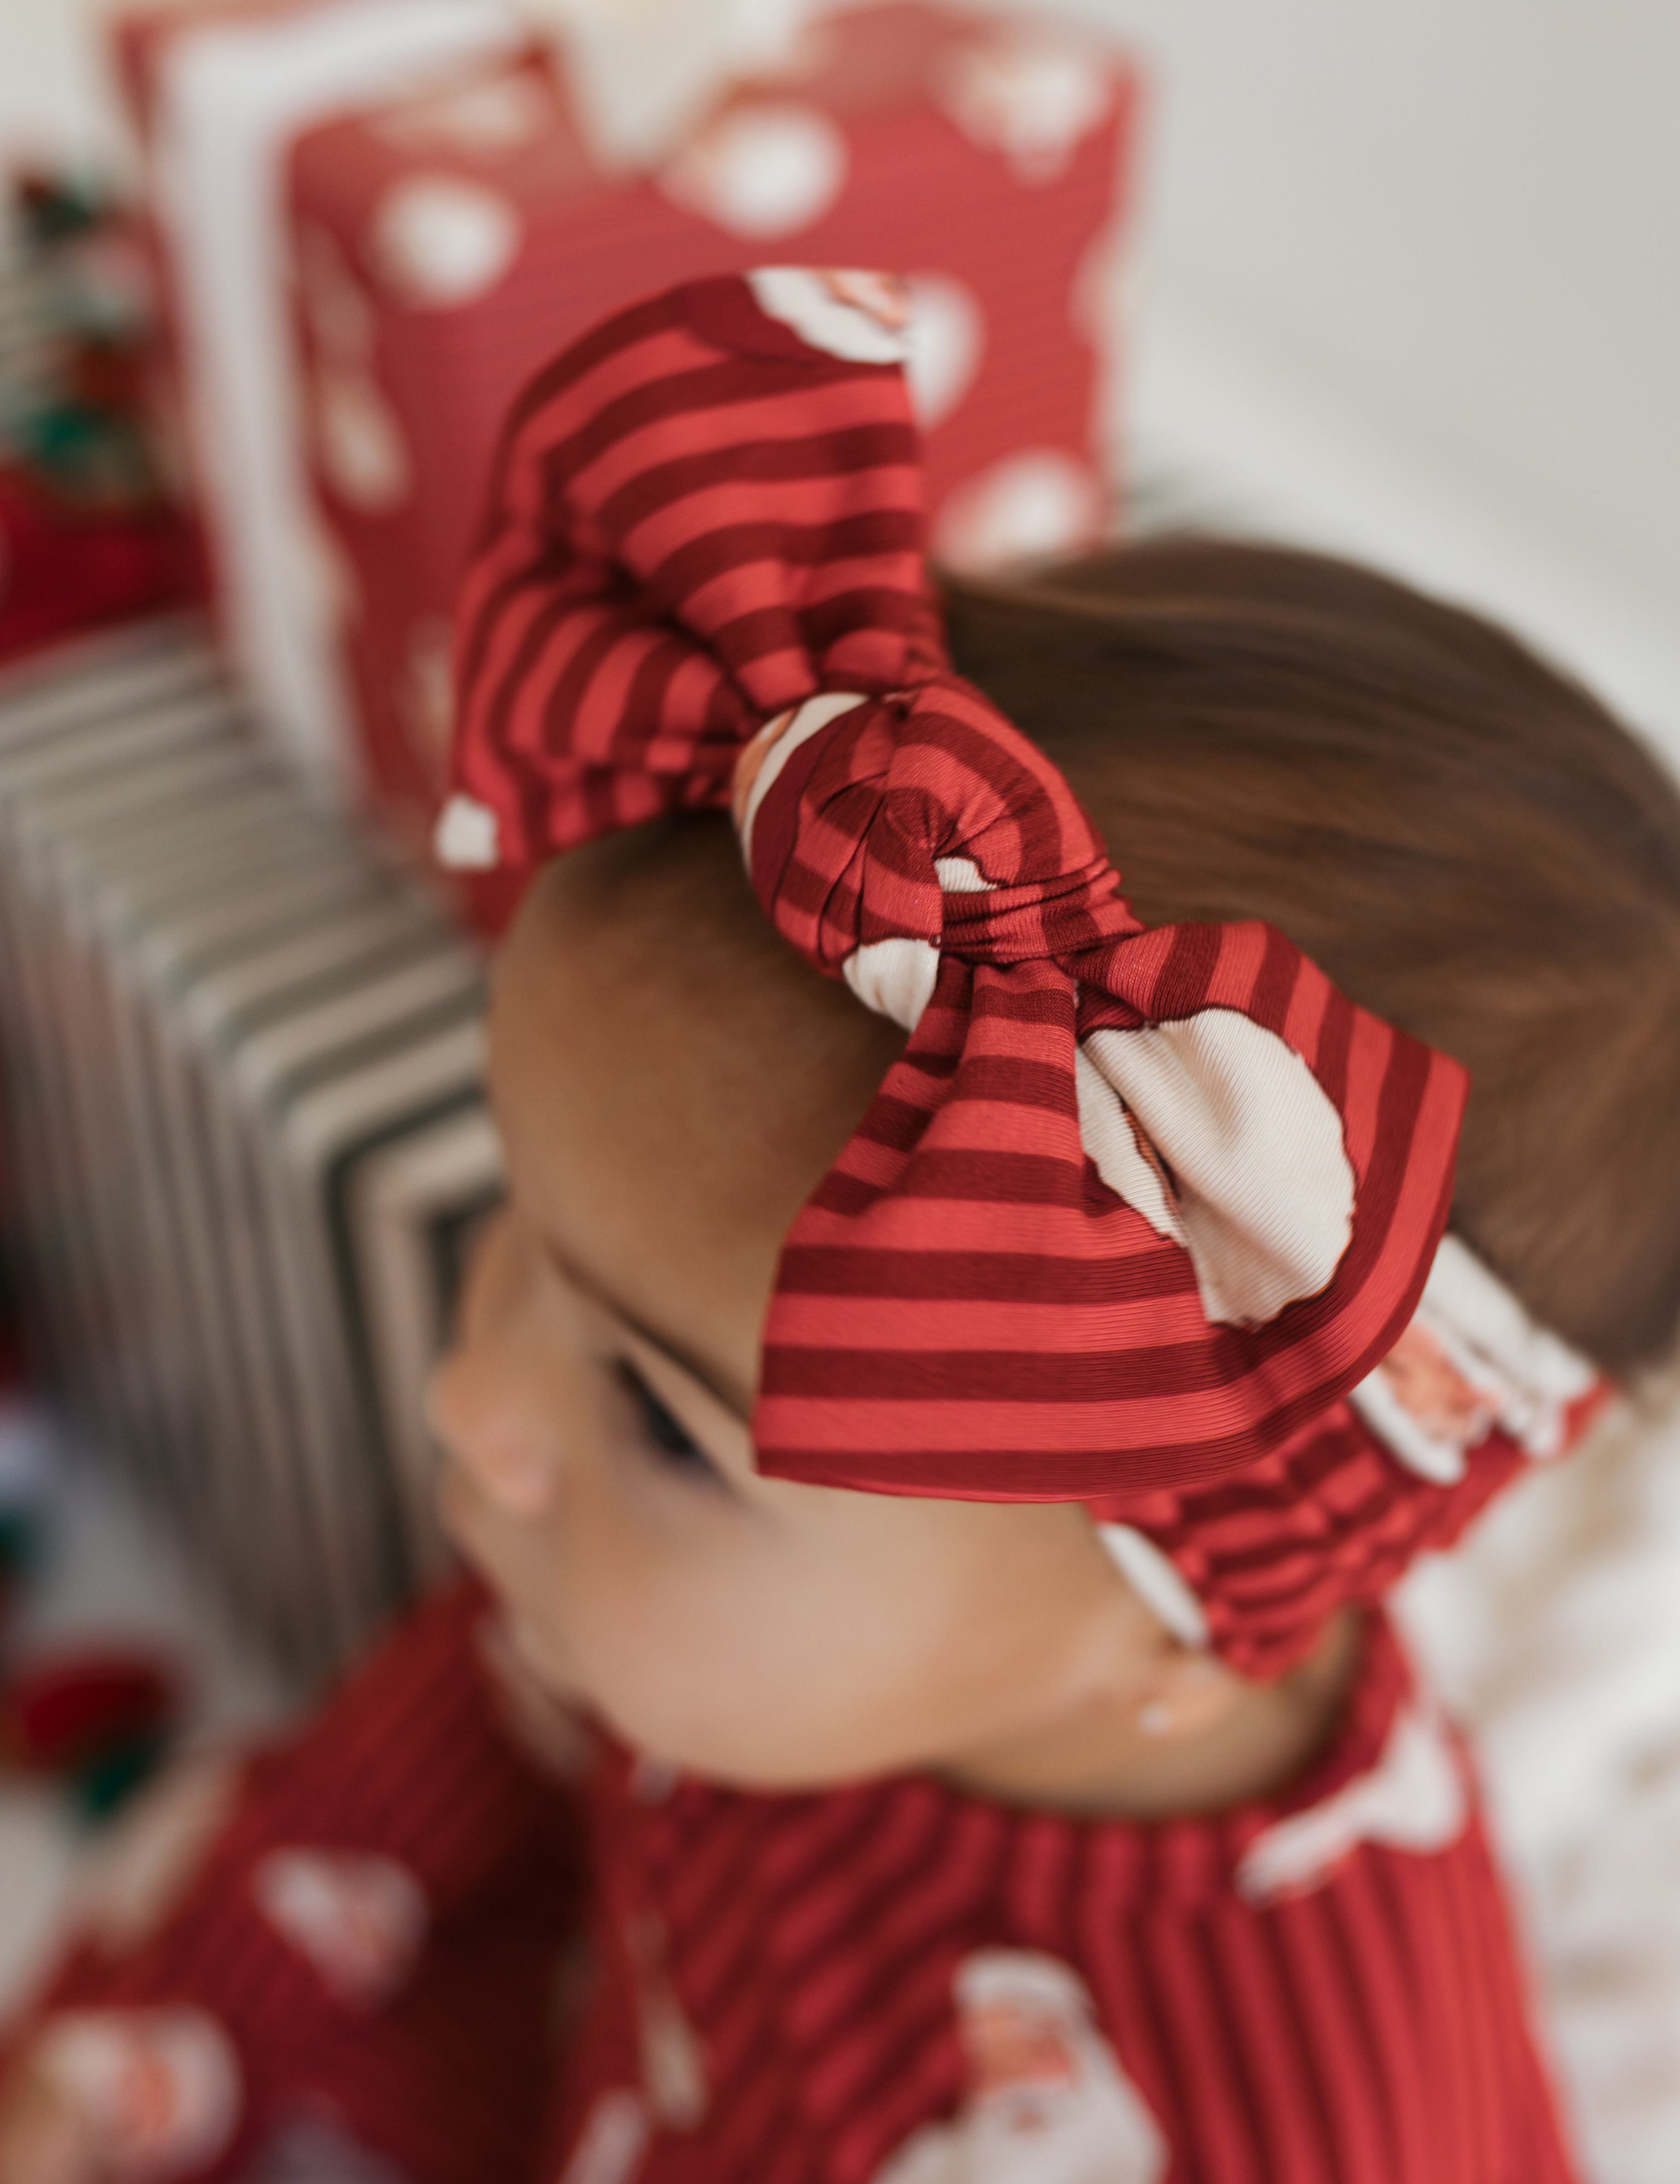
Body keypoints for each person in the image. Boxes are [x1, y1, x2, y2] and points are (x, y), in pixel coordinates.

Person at [4, 268, 1678, 2184]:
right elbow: (458, 1736)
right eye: (518, 1223)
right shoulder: (706, 1608)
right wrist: (144, 2053)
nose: (473, 1402)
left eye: (657, 1418)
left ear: (1188, 1637)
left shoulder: (1298, 2132)